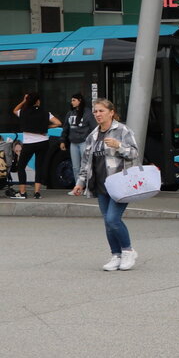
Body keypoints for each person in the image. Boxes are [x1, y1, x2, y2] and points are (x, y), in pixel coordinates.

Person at [70, 99, 140, 271]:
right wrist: (80, 183)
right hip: (100, 185)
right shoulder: (93, 135)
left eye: (101, 111)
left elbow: (135, 153)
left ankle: (128, 251)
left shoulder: (122, 130)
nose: (97, 114)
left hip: (120, 184)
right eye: (95, 111)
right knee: (108, 223)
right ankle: (116, 255)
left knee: (113, 219)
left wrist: (119, 146)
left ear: (111, 112)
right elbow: (86, 162)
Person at [10, 91, 61, 200]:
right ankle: (37, 193)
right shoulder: (45, 113)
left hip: (29, 143)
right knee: (39, 167)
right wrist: (45, 128)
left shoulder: (23, 112)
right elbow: (58, 123)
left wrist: (23, 101)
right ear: (37, 101)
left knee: (21, 167)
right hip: (43, 143)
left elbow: (14, 110)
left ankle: (22, 193)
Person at [64, 93, 97, 182]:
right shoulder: (70, 113)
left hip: (84, 142)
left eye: (74, 100)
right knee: (75, 167)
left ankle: (87, 187)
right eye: (71, 100)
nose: (72, 102)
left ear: (80, 100)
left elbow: (94, 128)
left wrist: (91, 141)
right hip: (73, 143)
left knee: (86, 165)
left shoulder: (87, 113)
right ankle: (78, 187)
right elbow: (66, 128)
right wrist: (62, 141)